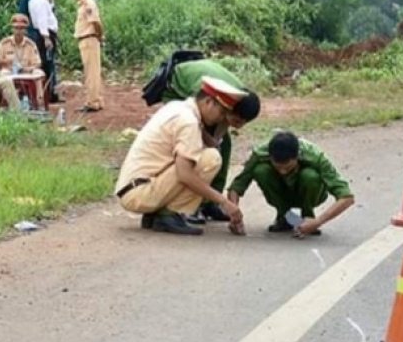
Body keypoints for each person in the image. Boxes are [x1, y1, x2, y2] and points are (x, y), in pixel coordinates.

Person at [115, 77, 248, 235]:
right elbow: (184, 174)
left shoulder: (178, 107)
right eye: (221, 112)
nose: (222, 118)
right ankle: (170, 213)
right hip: (139, 192)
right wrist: (223, 202)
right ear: (208, 102)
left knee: (203, 156)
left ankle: (157, 213)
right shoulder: (188, 122)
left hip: (133, 188)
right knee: (211, 159)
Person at [161, 59, 261, 224]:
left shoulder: (238, 98)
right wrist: (211, 142)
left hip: (207, 92)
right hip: (177, 89)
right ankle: (191, 205)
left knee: (224, 144)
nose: (239, 126)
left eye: (243, 123)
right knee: (196, 145)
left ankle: (210, 201)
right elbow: (197, 123)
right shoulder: (208, 96)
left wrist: (216, 141)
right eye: (236, 121)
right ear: (229, 109)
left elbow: (220, 134)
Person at [227, 131, 355, 238]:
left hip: (309, 193)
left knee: (310, 176)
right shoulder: (260, 154)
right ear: (270, 157)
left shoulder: (314, 156)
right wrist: (234, 215)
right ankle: (285, 217)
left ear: (297, 156)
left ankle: (308, 217)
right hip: (280, 194)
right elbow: (237, 185)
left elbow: (347, 197)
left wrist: (318, 222)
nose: (283, 172)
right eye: (278, 167)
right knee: (261, 171)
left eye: (288, 167)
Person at [0, 14, 46, 108]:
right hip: (9, 71)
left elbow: (37, 63)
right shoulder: (4, 43)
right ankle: (7, 103)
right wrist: (7, 62)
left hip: (26, 71)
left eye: (21, 28)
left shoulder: (30, 44)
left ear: (25, 30)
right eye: (16, 28)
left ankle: (39, 101)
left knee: (39, 73)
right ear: (12, 29)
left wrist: (28, 69)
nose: (18, 31)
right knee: (4, 74)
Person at [68, 0, 104, 113]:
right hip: (85, 39)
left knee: (91, 72)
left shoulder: (88, 3)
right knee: (92, 71)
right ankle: (97, 99)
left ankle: (92, 102)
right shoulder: (82, 4)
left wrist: (100, 35)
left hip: (89, 38)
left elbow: (96, 22)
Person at [28, 0, 61, 103]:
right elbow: (42, 20)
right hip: (44, 35)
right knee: (48, 63)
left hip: (42, 34)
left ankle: (48, 92)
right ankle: (49, 93)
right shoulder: (40, 2)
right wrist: (46, 38)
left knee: (46, 62)